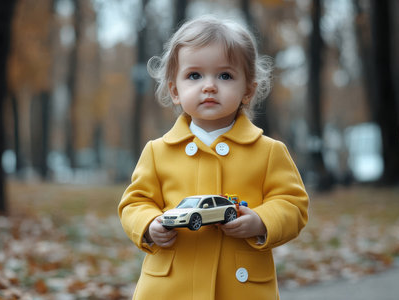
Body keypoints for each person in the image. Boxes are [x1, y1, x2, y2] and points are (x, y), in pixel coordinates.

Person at [118, 15, 309, 300]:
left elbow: (293, 204)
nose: (209, 86)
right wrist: (148, 224)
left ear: (248, 90)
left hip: (240, 288)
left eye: (225, 75)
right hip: (170, 288)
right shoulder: (158, 151)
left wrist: (261, 220)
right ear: (175, 90)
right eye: (194, 75)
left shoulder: (268, 151)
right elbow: (135, 202)